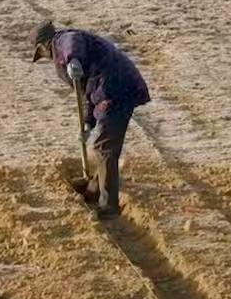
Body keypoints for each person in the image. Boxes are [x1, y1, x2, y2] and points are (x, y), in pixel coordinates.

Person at [31, 21, 150, 220]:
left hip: (115, 88)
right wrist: (87, 122)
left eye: (41, 53)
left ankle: (108, 206)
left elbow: (72, 43)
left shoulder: (63, 40)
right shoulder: (65, 52)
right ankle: (94, 187)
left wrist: (72, 60)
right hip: (109, 88)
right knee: (105, 144)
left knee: (104, 146)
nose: (45, 57)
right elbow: (85, 92)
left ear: (43, 46)